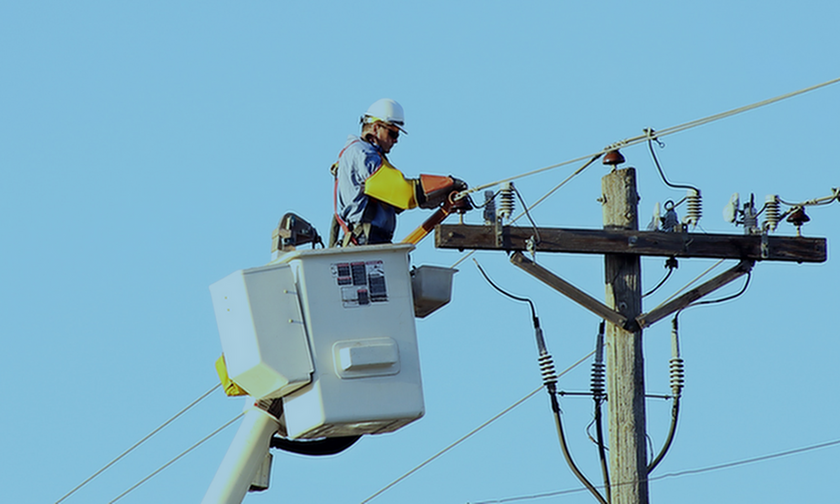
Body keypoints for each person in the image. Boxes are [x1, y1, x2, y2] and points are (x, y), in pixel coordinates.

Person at [330, 98, 467, 246]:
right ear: (376, 128)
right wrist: (448, 183)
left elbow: (396, 202)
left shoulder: (368, 154)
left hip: (372, 240)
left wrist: (440, 195)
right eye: (393, 133)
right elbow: (404, 193)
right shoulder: (363, 154)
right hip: (366, 241)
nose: (396, 140)